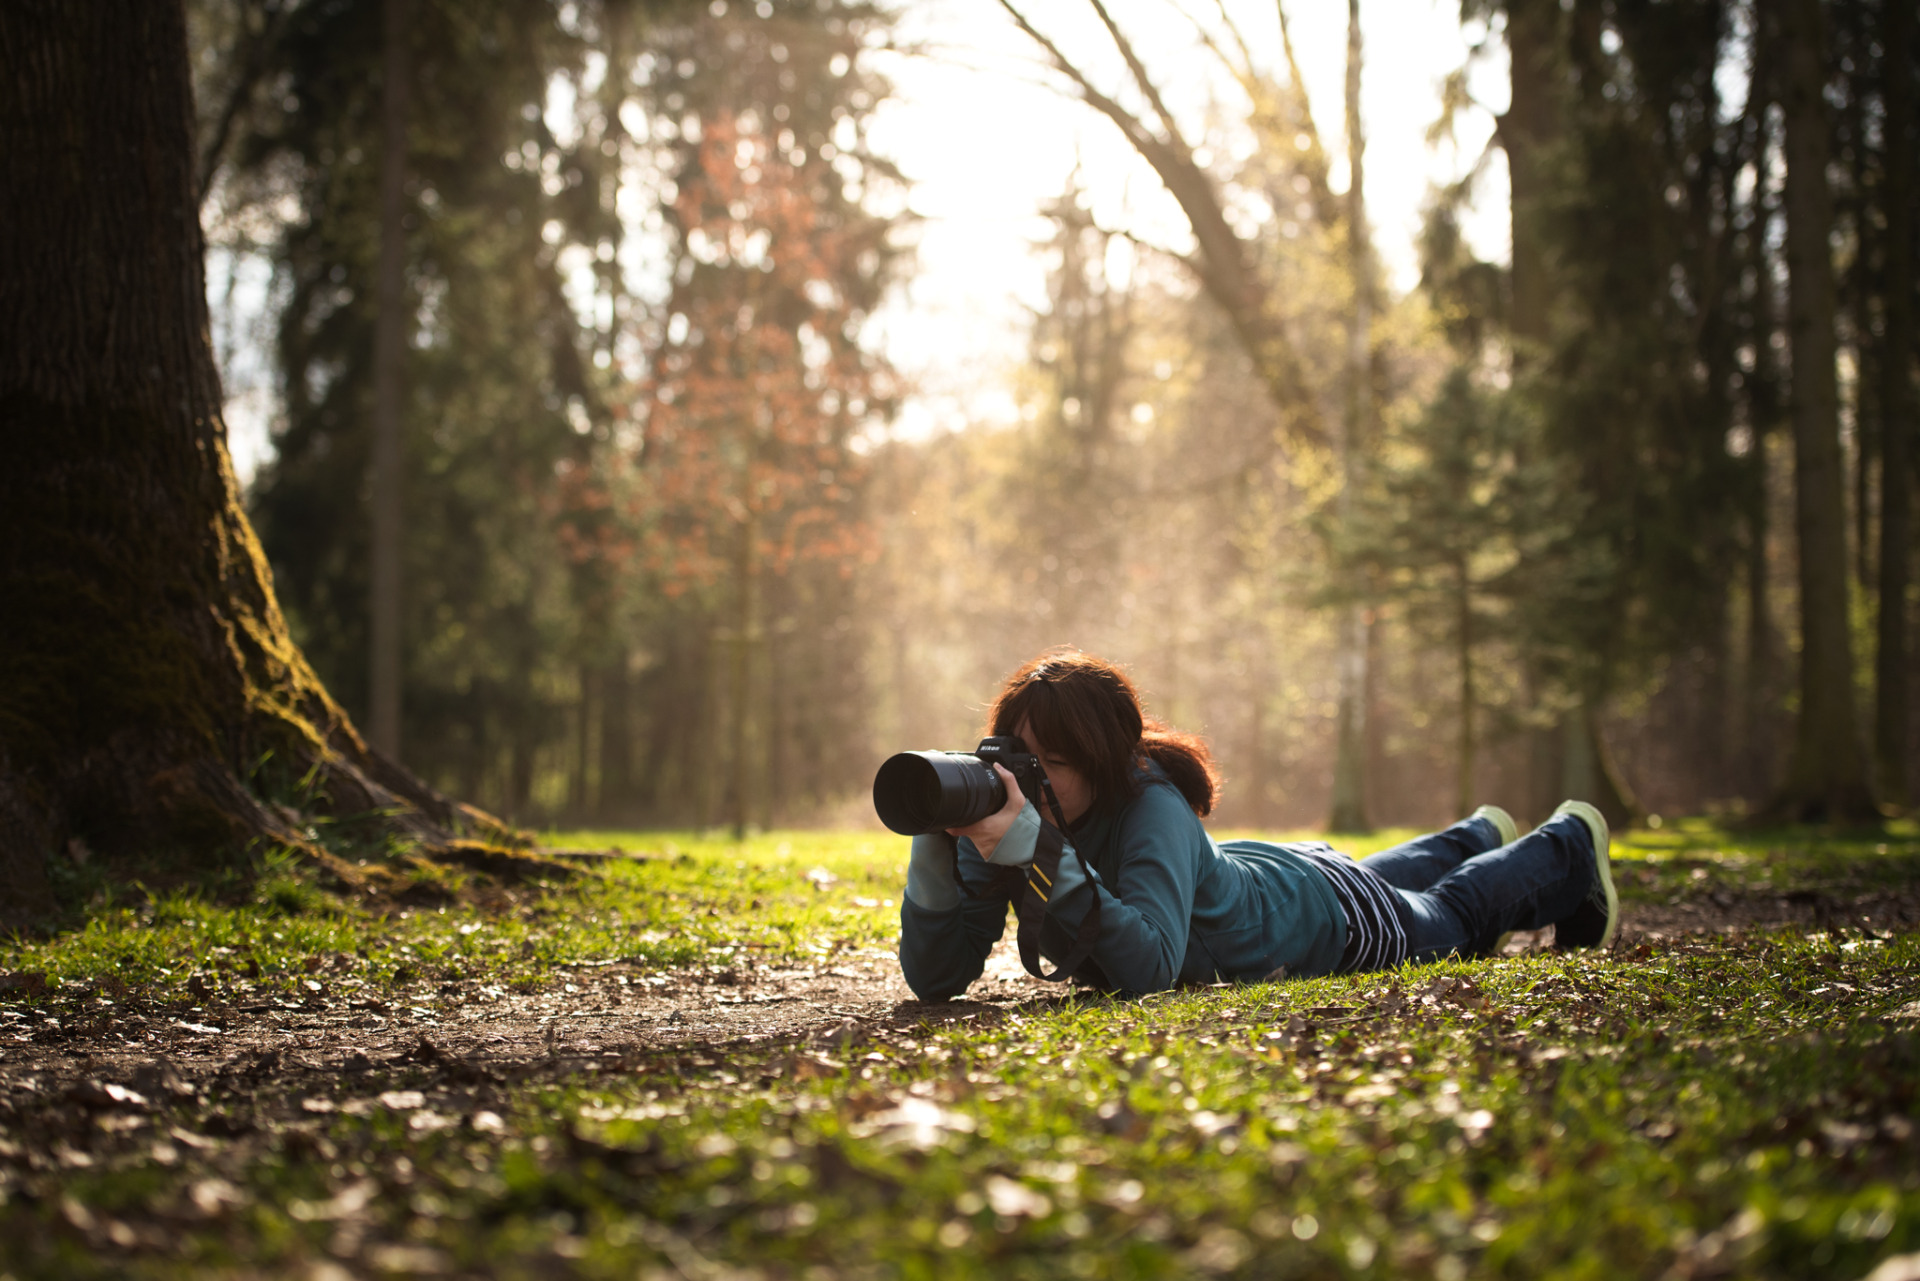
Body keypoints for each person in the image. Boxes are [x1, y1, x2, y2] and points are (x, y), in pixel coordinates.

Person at [898, 648, 1618, 1001]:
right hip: (1252, 875)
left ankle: (1569, 843)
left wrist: (1034, 850)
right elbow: (937, 979)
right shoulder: (1012, 813)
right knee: (1391, 882)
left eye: (1051, 761)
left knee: (1451, 916)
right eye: (1020, 757)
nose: (1029, 778)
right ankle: (1472, 835)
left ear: (1103, 760)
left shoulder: (1151, 809)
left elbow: (1149, 967)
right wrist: (939, 844)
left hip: (1317, 915)